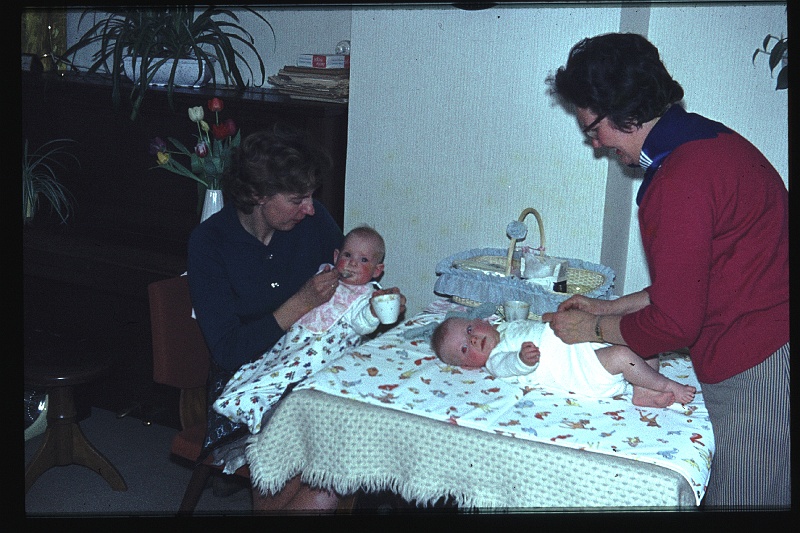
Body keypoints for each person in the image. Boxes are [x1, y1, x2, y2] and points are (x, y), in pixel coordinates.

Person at [542, 33, 789, 509]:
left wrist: (591, 327)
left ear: (623, 110)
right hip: (771, 343)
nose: (595, 144)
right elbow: (693, 281)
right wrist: (609, 306)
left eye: (593, 129)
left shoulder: (679, 182)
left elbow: (675, 322)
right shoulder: (707, 140)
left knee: (745, 500)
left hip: (759, 358)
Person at [188, 127, 406, 511]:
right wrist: (298, 305)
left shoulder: (312, 221)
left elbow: (353, 281)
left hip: (318, 368)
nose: (310, 208)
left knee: (361, 437)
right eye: (297, 199)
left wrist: (378, 302)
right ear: (257, 196)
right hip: (250, 382)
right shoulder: (210, 243)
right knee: (324, 492)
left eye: (310, 196)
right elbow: (227, 351)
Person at [213, 225, 401, 434]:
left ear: (377, 270)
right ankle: (237, 397)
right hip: (295, 339)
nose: (353, 263)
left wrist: (375, 311)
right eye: (347, 255)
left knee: (288, 378)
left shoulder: (367, 296)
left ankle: (262, 411)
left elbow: (362, 324)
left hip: (322, 352)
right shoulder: (325, 274)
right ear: (336, 255)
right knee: (267, 366)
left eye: (363, 260)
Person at [431, 316, 696, 407]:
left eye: (469, 331)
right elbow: (511, 365)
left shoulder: (508, 327)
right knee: (624, 357)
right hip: (580, 371)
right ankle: (665, 385)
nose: (475, 340)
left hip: (582, 348)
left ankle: (642, 391)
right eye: (466, 349)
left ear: (480, 321)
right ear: (468, 366)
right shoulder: (496, 361)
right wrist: (523, 360)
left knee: (646, 343)